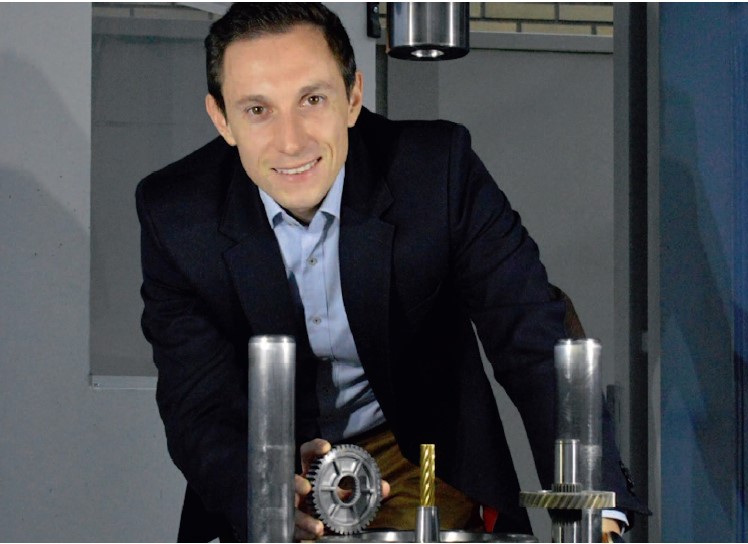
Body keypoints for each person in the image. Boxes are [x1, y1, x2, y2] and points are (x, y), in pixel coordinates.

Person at [136, 3, 647, 542]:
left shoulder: (435, 170)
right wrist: (258, 489)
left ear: (353, 97)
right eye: (258, 110)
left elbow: (530, 333)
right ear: (222, 119)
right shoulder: (177, 214)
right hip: (265, 456)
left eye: (313, 100)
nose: (291, 142)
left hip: (417, 451)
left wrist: (595, 510)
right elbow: (197, 402)